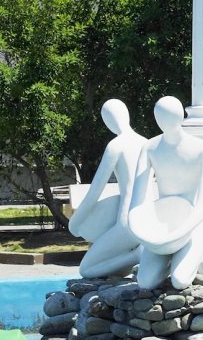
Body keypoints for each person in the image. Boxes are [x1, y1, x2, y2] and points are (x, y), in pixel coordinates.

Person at [128, 96, 203, 289]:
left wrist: (181, 233)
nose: (164, 121)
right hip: (162, 227)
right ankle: (174, 258)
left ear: (181, 117)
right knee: (146, 283)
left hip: (192, 226)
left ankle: (192, 257)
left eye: (170, 116)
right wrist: (138, 226)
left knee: (180, 281)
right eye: (160, 116)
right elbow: (137, 200)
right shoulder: (149, 147)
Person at [68, 98, 146, 278]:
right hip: (148, 217)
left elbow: (94, 192)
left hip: (127, 222)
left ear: (107, 122)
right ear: (127, 115)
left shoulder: (116, 145)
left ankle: (137, 255)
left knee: (86, 270)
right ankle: (135, 256)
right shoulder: (147, 143)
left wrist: (74, 223)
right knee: (117, 265)